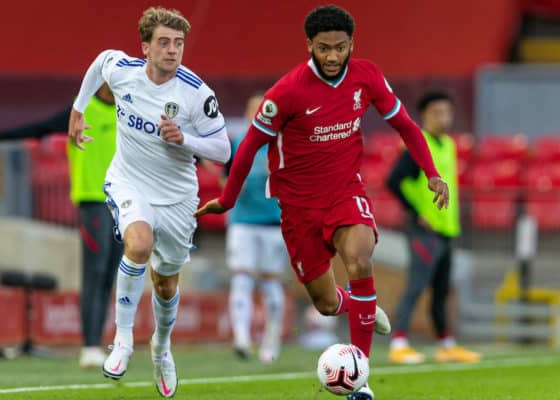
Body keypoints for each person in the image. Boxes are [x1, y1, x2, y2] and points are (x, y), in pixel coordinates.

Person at [195, 5, 449, 400]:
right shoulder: (287, 91)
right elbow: (248, 147)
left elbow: (405, 125)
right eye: (324, 48)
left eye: (341, 47)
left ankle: (359, 382)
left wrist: (432, 172)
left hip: (346, 192)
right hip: (298, 207)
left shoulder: (367, 76)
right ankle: (360, 305)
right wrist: (227, 199)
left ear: (352, 44)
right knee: (327, 303)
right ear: (309, 45)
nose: (333, 56)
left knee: (360, 259)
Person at [69, 6, 230, 397]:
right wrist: (77, 109)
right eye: (164, 42)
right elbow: (99, 63)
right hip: (129, 181)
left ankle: (161, 347)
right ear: (146, 47)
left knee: (165, 283)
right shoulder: (123, 71)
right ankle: (122, 340)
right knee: (137, 244)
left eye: (178, 43)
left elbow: (223, 150)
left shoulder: (196, 93)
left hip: (176, 196)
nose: (173, 50)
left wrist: (186, 140)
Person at [0, 84, 119, 369]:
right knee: (94, 273)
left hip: (123, 203)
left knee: (110, 274)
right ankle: (90, 347)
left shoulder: (128, 110)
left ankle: (106, 342)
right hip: (93, 200)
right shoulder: (80, 110)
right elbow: (40, 128)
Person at [386, 92, 481, 364]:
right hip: (424, 232)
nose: (444, 118)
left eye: (447, 112)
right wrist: (416, 213)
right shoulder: (417, 144)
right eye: (437, 112)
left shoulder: (448, 145)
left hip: (447, 230)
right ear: (425, 115)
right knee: (416, 286)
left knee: (441, 290)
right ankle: (399, 343)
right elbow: (393, 180)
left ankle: (446, 344)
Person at [225, 93, 289, 363]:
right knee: (241, 277)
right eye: (253, 110)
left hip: (274, 224)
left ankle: (271, 341)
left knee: (270, 282)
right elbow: (226, 177)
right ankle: (241, 337)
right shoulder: (239, 143)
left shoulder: (284, 145)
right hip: (243, 223)